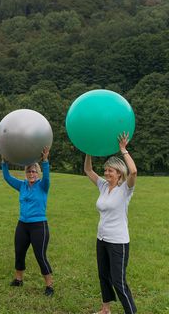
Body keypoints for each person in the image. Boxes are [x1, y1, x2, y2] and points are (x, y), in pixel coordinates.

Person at [84, 132, 137, 314]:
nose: (106, 173)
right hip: (102, 239)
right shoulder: (103, 186)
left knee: (118, 281)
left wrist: (123, 149)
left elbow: (134, 171)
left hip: (118, 242)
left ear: (119, 173)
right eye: (106, 170)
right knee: (103, 276)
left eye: (110, 170)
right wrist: (88, 151)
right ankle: (105, 309)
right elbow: (88, 171)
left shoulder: (125, 190)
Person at [1, 146, 54, 296]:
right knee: (19, 252)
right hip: (22, 225)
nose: (31, 174)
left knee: (40, 255)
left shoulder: (43, 185)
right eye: (29, 171)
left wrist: (45, 161)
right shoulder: (22, 185)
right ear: (26, 173)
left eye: (34, 171)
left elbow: (47, 176)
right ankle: (18, 279)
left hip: (39, 225)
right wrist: (4, 163)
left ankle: (49, 285)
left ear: (38, 173)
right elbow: (7, 177)